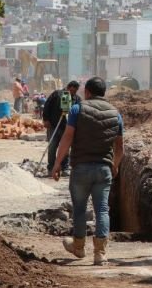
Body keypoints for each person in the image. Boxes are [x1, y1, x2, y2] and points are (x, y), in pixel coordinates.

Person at [52, 77, 124, 265]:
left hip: (81, 169)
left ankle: (78, 246)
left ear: (88, 92)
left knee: (80, 209)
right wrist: (114, 165)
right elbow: (120, 148)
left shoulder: (78, 109)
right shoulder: (115, 114)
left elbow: (67, 138)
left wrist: (57, 163)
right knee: (102, 209)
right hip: (103, 169)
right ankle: (100, 253)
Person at [43, 80, 82, 176]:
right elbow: (47, 106)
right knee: (52, 147)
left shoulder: (77, 99)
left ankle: (65, 167)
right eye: (71, 91)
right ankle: (51, 167)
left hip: (67, 127)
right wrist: (46, 119)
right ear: (68, 88)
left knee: (66, 148)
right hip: (54, 126)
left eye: (75, 92)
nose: (72, 93)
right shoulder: (57, 94)